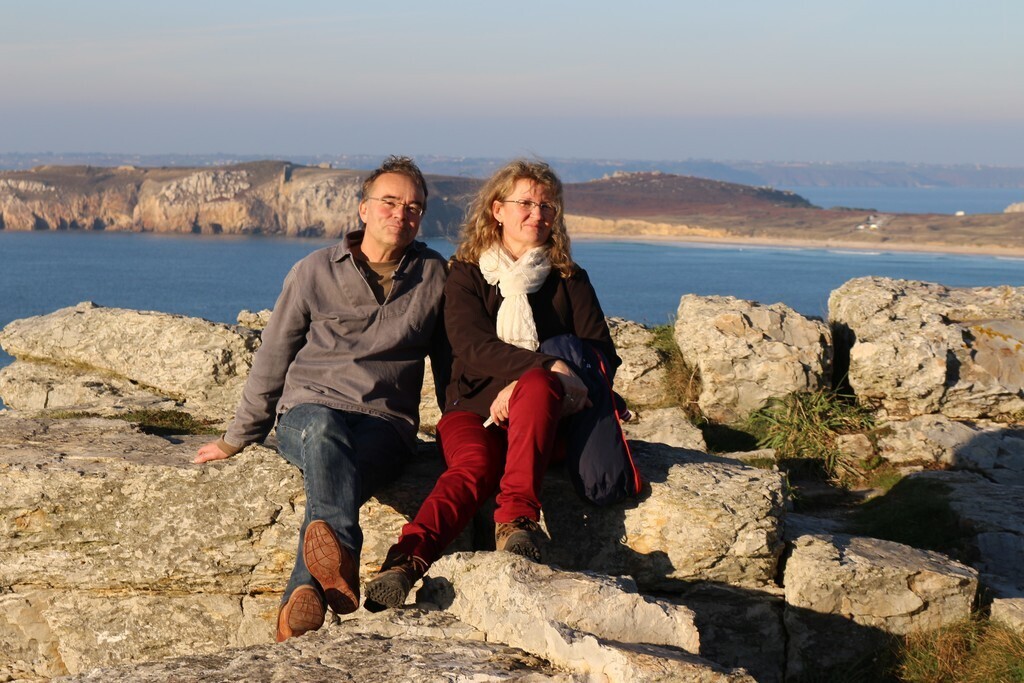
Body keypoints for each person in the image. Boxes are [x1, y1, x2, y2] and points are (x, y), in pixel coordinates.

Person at [194, 156, 448, 642]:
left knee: (337, 480)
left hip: (386, 422)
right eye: (390, 202)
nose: (401, 214)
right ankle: (339, 559)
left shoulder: (435, 276)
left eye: (414, 207)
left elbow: (454, 364)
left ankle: (303, 597)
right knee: (326, 432)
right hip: (309, 411)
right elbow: (272, 356)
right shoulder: (314, 270)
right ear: (364, 210)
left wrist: (469, 438)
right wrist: (237, 437)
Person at [363, 159, 620, 611]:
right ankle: (404, 563)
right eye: (526, 203)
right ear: (497, 209)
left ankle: (516, 519)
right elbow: (471, 346)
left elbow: (601, 353)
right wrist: (537, 370)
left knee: (539, 387)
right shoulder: (465, 274)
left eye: (547, 206)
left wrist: (534, 381)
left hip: (552, 420)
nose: (537, 215)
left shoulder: (569, 279)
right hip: (473, 410)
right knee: (472, 470)